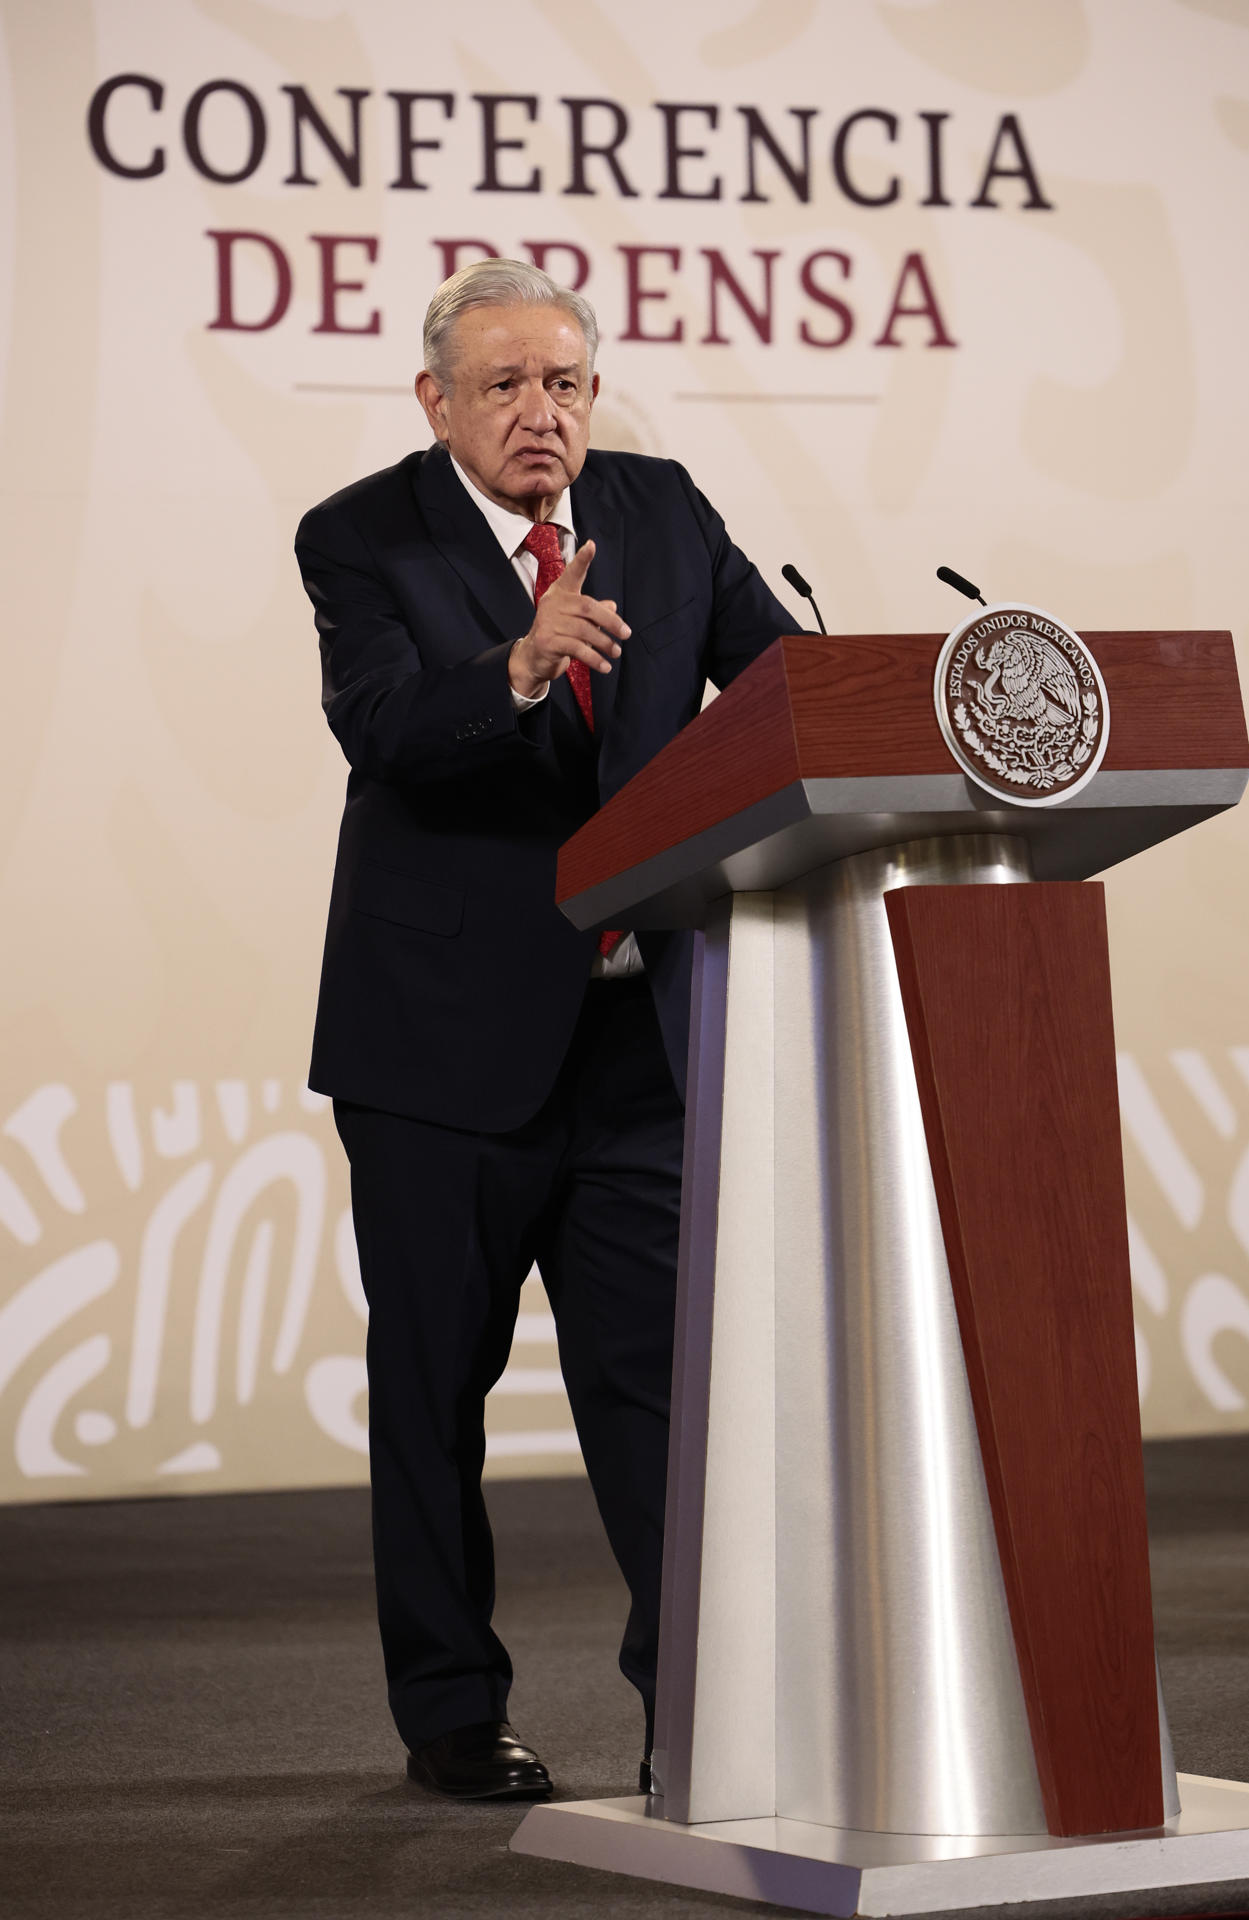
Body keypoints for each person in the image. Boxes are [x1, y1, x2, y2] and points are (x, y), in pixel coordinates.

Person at [295, 259, 797, 1801]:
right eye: (505, 384)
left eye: (566, 382)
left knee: (657, 1398)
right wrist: (520, 661)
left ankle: (695, 1711)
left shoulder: (662, 508)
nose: (542, 413)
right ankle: (452, 1712)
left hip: (633, 1039)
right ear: (435, 398)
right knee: (435, 1389)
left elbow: (783, 688)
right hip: (438, 1051)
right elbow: (382, 728)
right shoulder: (363, 533)